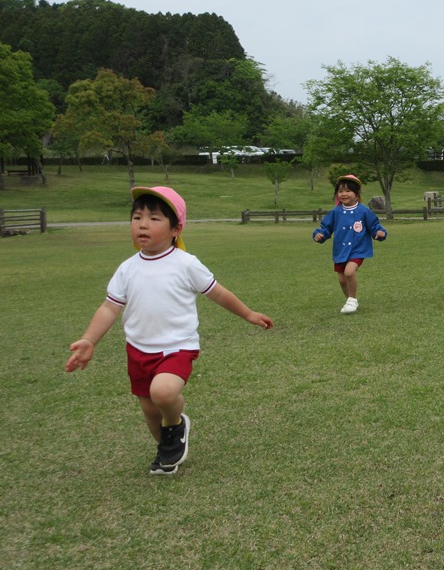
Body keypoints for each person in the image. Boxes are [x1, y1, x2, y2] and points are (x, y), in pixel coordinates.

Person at [65, 186, 274, 476]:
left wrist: (249, 314)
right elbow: (109, 308)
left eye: (154, 218)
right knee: (151, 414)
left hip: (177, 346)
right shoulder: (127, 268)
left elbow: (218, 293)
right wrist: (89, 339)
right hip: (138, 351)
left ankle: (175, 423)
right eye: (137, 217)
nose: (142, 224)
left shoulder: (186, 264)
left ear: (176, 229)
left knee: (163, 393)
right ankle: (168, 443)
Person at [313, 174, 388, 314]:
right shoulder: (335, 212)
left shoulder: (364, 211)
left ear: (357, 193)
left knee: (349, 272)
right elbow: (326, 228)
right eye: (340, 191)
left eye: (348, 191)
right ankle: (350, 300)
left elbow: (374, 226)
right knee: (342, 280)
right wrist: (320, 235)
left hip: (358, 249)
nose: (344, 194)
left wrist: (379, 233)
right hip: (340, 250)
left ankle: (352, 300)